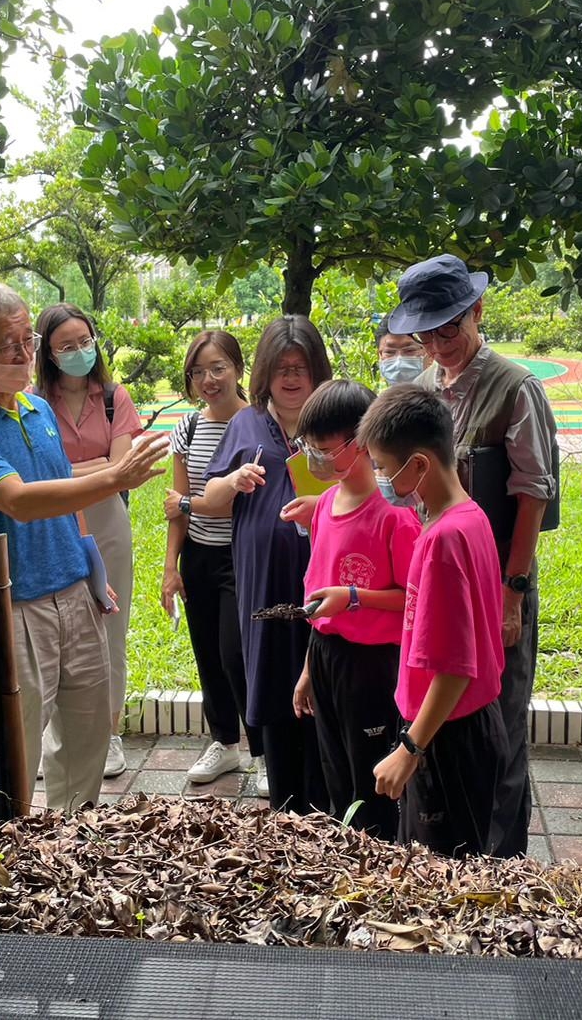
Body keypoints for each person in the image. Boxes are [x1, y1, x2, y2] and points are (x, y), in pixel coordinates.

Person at [0, 283, 169, 810]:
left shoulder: (36, 410)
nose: (23, 354)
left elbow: (63, 496)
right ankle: (16, 851)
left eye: (27, 340)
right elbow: (19, 500)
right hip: (17, 603)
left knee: (85, 738)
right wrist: (115, 475)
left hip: (74, 593)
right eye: (8, 344)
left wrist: (90, 562)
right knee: (21, 742)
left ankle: (71, 841)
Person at [386, 253, 559, 857]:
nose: (438, 343)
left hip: (496, 580)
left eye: (449, 327)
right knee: (449, 711)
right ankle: (454, 841)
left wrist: (513, 592)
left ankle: (503, 857)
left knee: (502, 721)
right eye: (425, 332)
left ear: (478, 311)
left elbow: (533, 494)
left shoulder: (515, 388)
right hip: (443, 577)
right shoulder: (424, 388)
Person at [363, 383, 507, 858]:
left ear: (419, 465)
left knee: (441, 880)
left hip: (449, 739)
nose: (382, 478)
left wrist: (409, 749)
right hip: (466, 729)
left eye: (384, 467)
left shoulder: (442, 540)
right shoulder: (471, 517)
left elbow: (452, 669)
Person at [201, 315, 332, 815]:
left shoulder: (334, 418)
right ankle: (285, 803)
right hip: (264, 582)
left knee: (324, 677)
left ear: (316, 369)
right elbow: (209, 497)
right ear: (264, 372)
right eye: (281, 367)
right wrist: (233, 480)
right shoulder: (247, 423)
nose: (291, 377)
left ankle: (328, 803)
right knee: (274, 680)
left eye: (301, 366)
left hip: (327, 581)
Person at [290, 380, 419, 839]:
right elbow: (317, 604)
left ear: (362, 443)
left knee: (373, 779)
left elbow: (413, 598)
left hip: (372, 666)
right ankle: (348, 859)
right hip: (328, 656)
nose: (315, 459)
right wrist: (309, 670)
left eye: (325, 449)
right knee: (337, 774)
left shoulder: (393, 515)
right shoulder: (324, 504)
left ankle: (380, 862)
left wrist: (355, 597)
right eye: (310, 448)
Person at [34, 304, 141, 779]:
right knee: (56, 629)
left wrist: (67, 473)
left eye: (84, 340)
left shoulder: (116, 398)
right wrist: (102, 468)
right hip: (52, 522)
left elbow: (125, 473)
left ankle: (110, 734)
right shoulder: (34, 404)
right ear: (48, 353)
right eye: (65, 345)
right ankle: (54, 740)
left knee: (109, 628)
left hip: (105, 518)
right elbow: (32, 474)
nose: (78, 351)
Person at [161, 330, 262, 788]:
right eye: (198, 372)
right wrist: (170, 568)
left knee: (237, 652)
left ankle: (263, 750)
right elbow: (177, 506)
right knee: (207, 653)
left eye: (218, 368)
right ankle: (225, 743)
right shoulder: (188, 427)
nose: (208, 379)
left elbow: (207, 503)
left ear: (238, 369)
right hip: (199, 555)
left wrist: (186, 503)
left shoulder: (257, 423)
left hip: (242, 556)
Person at [375, 314, 428, 386]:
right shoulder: (370, 396)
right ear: (379, 355)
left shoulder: (445, 393)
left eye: (409, 350)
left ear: (428, 352)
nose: (399, 361)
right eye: (389, 352)